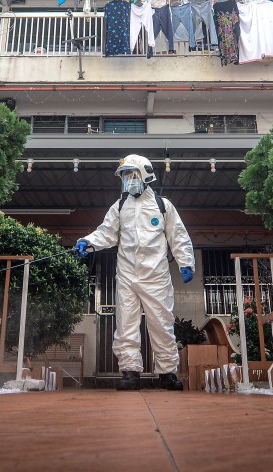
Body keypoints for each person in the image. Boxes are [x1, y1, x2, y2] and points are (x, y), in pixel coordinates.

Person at [76, 154, 195, 391]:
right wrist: (87, 242)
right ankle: (130, 372)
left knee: (162, 323)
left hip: (157, 276)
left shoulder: (163, 206)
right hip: (128, 276)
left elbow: (178, 236)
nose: (127, 180)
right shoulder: (120, 206)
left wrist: (186, 262)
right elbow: (106, 233)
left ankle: (167, 373)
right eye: (124, 176)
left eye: (131, 175)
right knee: (126, 323)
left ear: (144, 175)